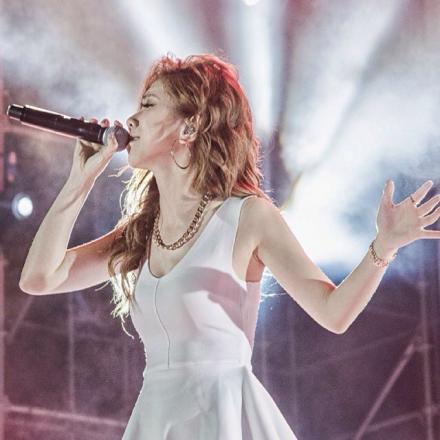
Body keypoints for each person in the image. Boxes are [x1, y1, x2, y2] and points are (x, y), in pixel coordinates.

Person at [19, 53, 440, 439]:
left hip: (224, 414)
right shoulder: (142, 233)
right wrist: (79, 181)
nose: (131, 119)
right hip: (157, 418)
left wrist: (384, 246)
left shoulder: (248, 217)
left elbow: (334, 313)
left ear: (189, 127)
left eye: (148, 105)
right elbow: (39, 278)